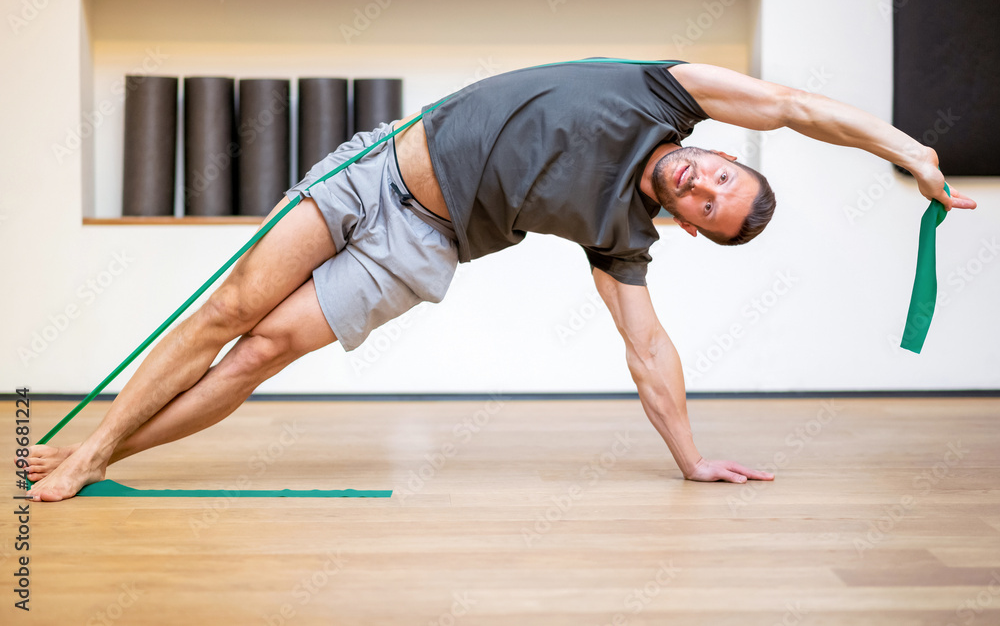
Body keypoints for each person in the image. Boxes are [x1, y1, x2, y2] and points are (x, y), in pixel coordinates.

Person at [25, 59, 976, 501]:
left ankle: (106, 455)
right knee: (229, 307)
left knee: (259, 353)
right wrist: (908, 148)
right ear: (714, 153)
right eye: (719, 175)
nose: (703, 186)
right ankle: (90, 448)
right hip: (378, 170)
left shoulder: (620, 233)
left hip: (421, 246)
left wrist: (690, 460)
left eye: (710, 207)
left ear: (690, 227)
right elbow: (798, 104)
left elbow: (648, 348)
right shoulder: (664, 93)